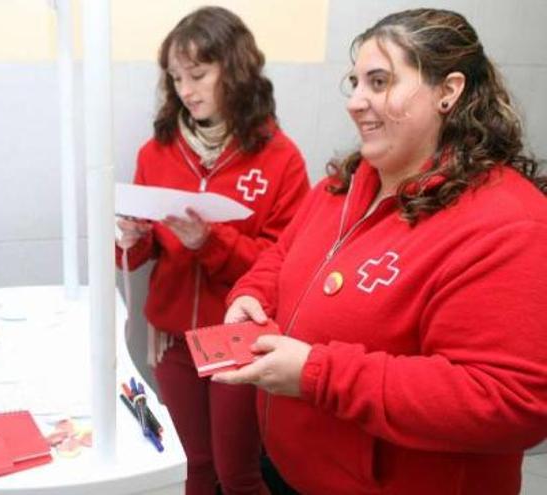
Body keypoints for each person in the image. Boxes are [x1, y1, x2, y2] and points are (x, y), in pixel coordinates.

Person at [216, 8, 547, 495]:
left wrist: (318, 374)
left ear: (448, 91)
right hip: (294, 468)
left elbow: (511, 401)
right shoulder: (343, 184)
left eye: (379, 81)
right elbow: (283, 257)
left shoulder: (509, 223)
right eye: (354, 82)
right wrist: (253, 294)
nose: (355, 102)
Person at [116, 6, 310, 495]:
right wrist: (131, 241)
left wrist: (209, 241)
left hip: (240, 339)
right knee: (193, 468)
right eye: (176, 77)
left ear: (236, 68)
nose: (186, 89)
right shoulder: (155, 151)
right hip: (174, 339)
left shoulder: (279, 156)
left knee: (237, 472)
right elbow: (138, 259)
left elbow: (283, 266)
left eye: (198, 74)